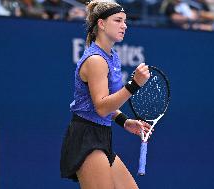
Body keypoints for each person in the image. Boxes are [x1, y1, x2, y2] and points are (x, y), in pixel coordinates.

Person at [60, 1, 151, 189]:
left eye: (125, 21)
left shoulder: (112, 56)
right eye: (118, 20)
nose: (124, 25)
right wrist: (134, 85)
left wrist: (124, 121)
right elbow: (101, 107)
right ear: (101, 24)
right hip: (86, 136)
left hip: (102, 135)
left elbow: (104, 105)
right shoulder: (96, 60)